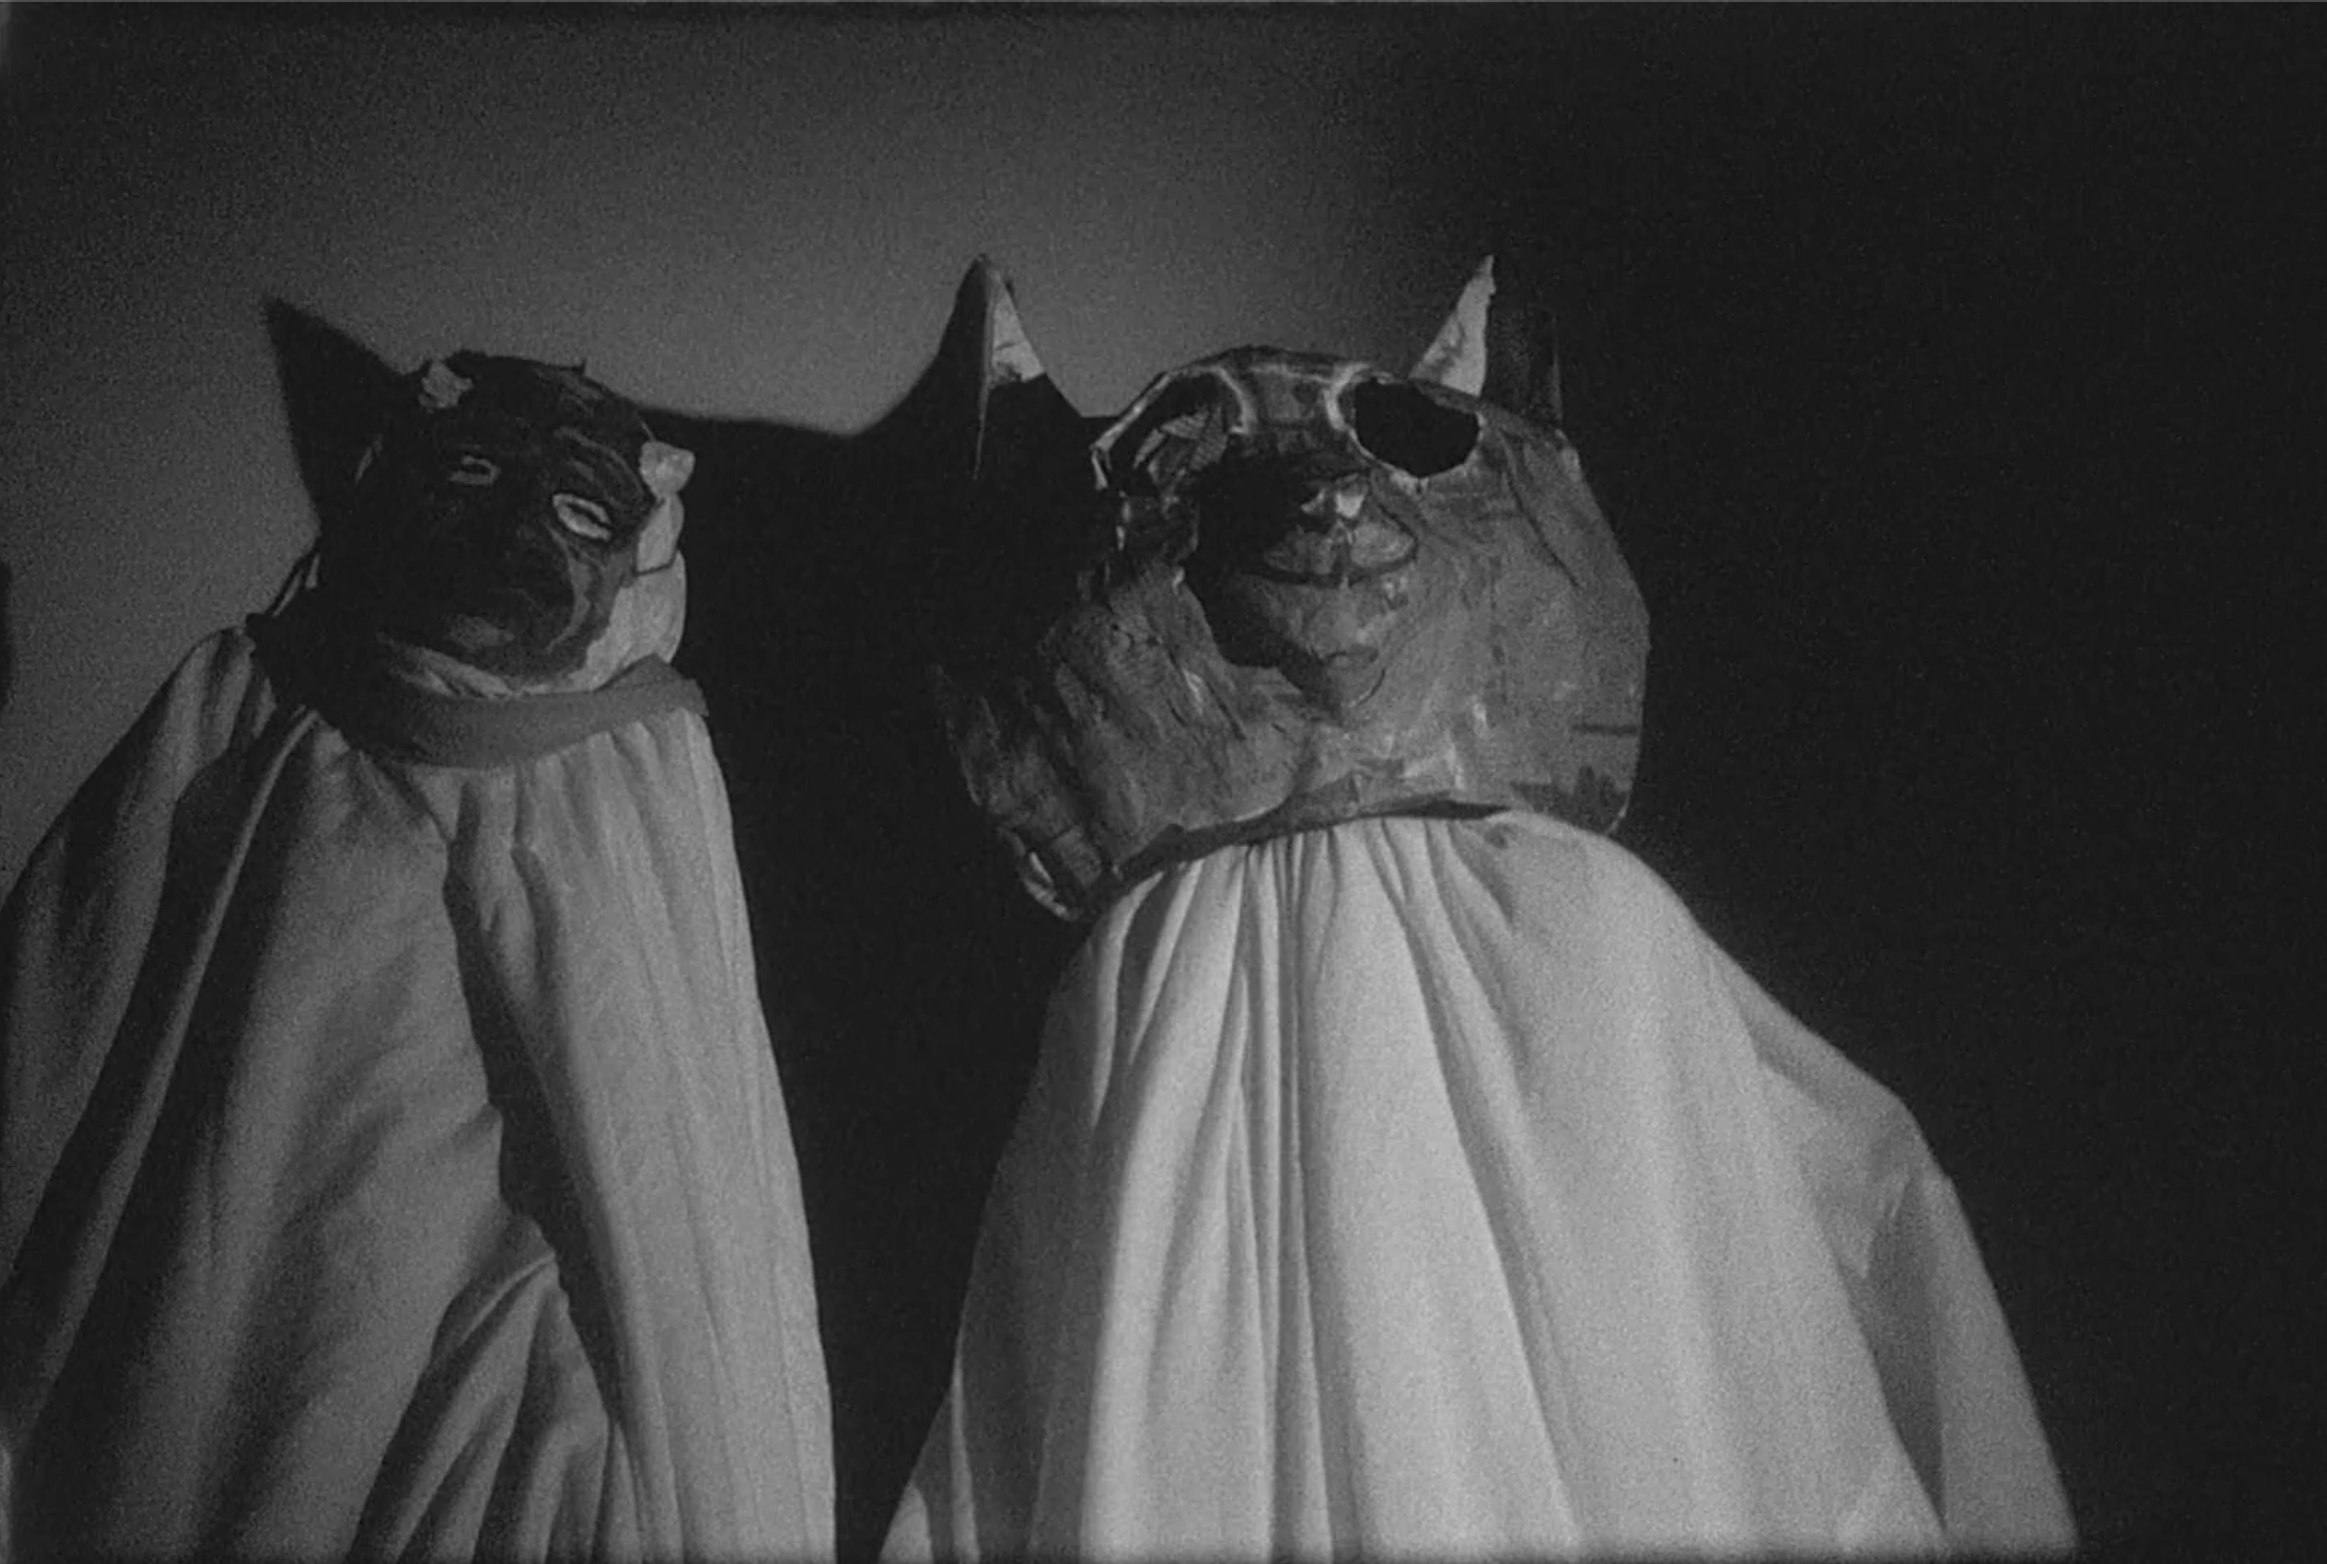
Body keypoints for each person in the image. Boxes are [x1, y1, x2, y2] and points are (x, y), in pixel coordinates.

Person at [884, 260, 2076, 1559]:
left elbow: (1021, 1405)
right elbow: (1874, 1209)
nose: (1330, 503)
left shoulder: (1194, 949)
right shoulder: (1184, 953)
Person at [0, 349, 836, 1558]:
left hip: (521, 1343)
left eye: (578, 510)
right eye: (476, 475)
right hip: (247, 1287)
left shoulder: (637, 762)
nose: (512, 532)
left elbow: (677, 1130)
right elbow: (62, 991)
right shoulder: (253, 698)